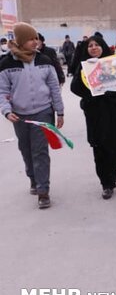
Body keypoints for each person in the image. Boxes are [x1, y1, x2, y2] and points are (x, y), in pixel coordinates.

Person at [0, 22, 65, 209]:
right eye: (30, 39)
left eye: (36, 38)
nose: (35, 42)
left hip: (43, 112)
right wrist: (6, 110)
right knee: (26, 149)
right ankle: (33, 178)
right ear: (20, 40)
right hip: (19, 115)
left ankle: (43, 191)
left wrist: (59, 111)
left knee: (40, 151)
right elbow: (2, 91)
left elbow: (54, 88)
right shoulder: (6, 64)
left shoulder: (44, 60)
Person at [70, 36, 116, 200]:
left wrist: (112, 91)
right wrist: (90, 90)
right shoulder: (84, 66)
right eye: (90, 46)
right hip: (96, 114)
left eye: (96, 45)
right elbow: (75, 87)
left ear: (103, 47)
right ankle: (106, 183)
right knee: (99, 147)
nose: (93, 48)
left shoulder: (115, 64)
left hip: (115, 113)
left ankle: (114, 169)